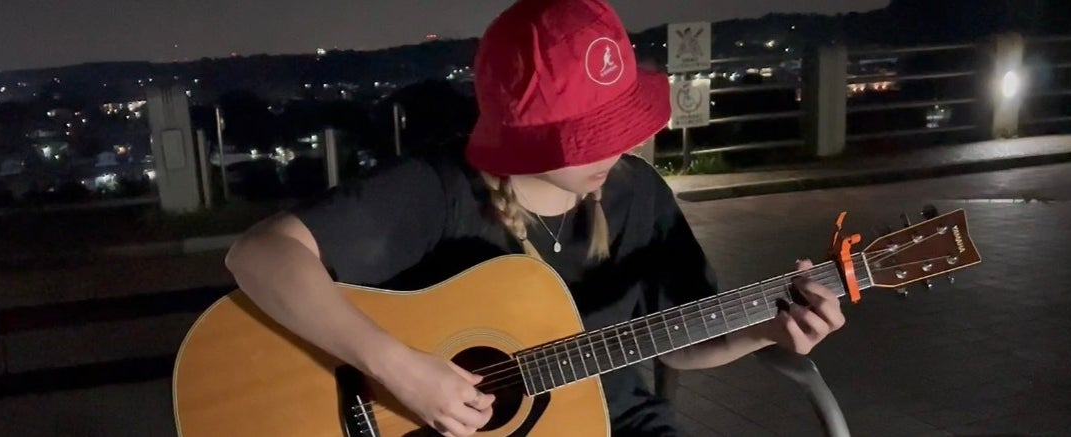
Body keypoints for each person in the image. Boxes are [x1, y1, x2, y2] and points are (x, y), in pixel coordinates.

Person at [223, 0, 846, 435]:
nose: (616, 149)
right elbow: (258, 255)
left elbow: (682, 345)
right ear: (520, 134)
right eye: (591, 136)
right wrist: (402, 370)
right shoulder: (437, 189)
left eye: (620, 124)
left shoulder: (639, 195)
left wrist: (767, 329)